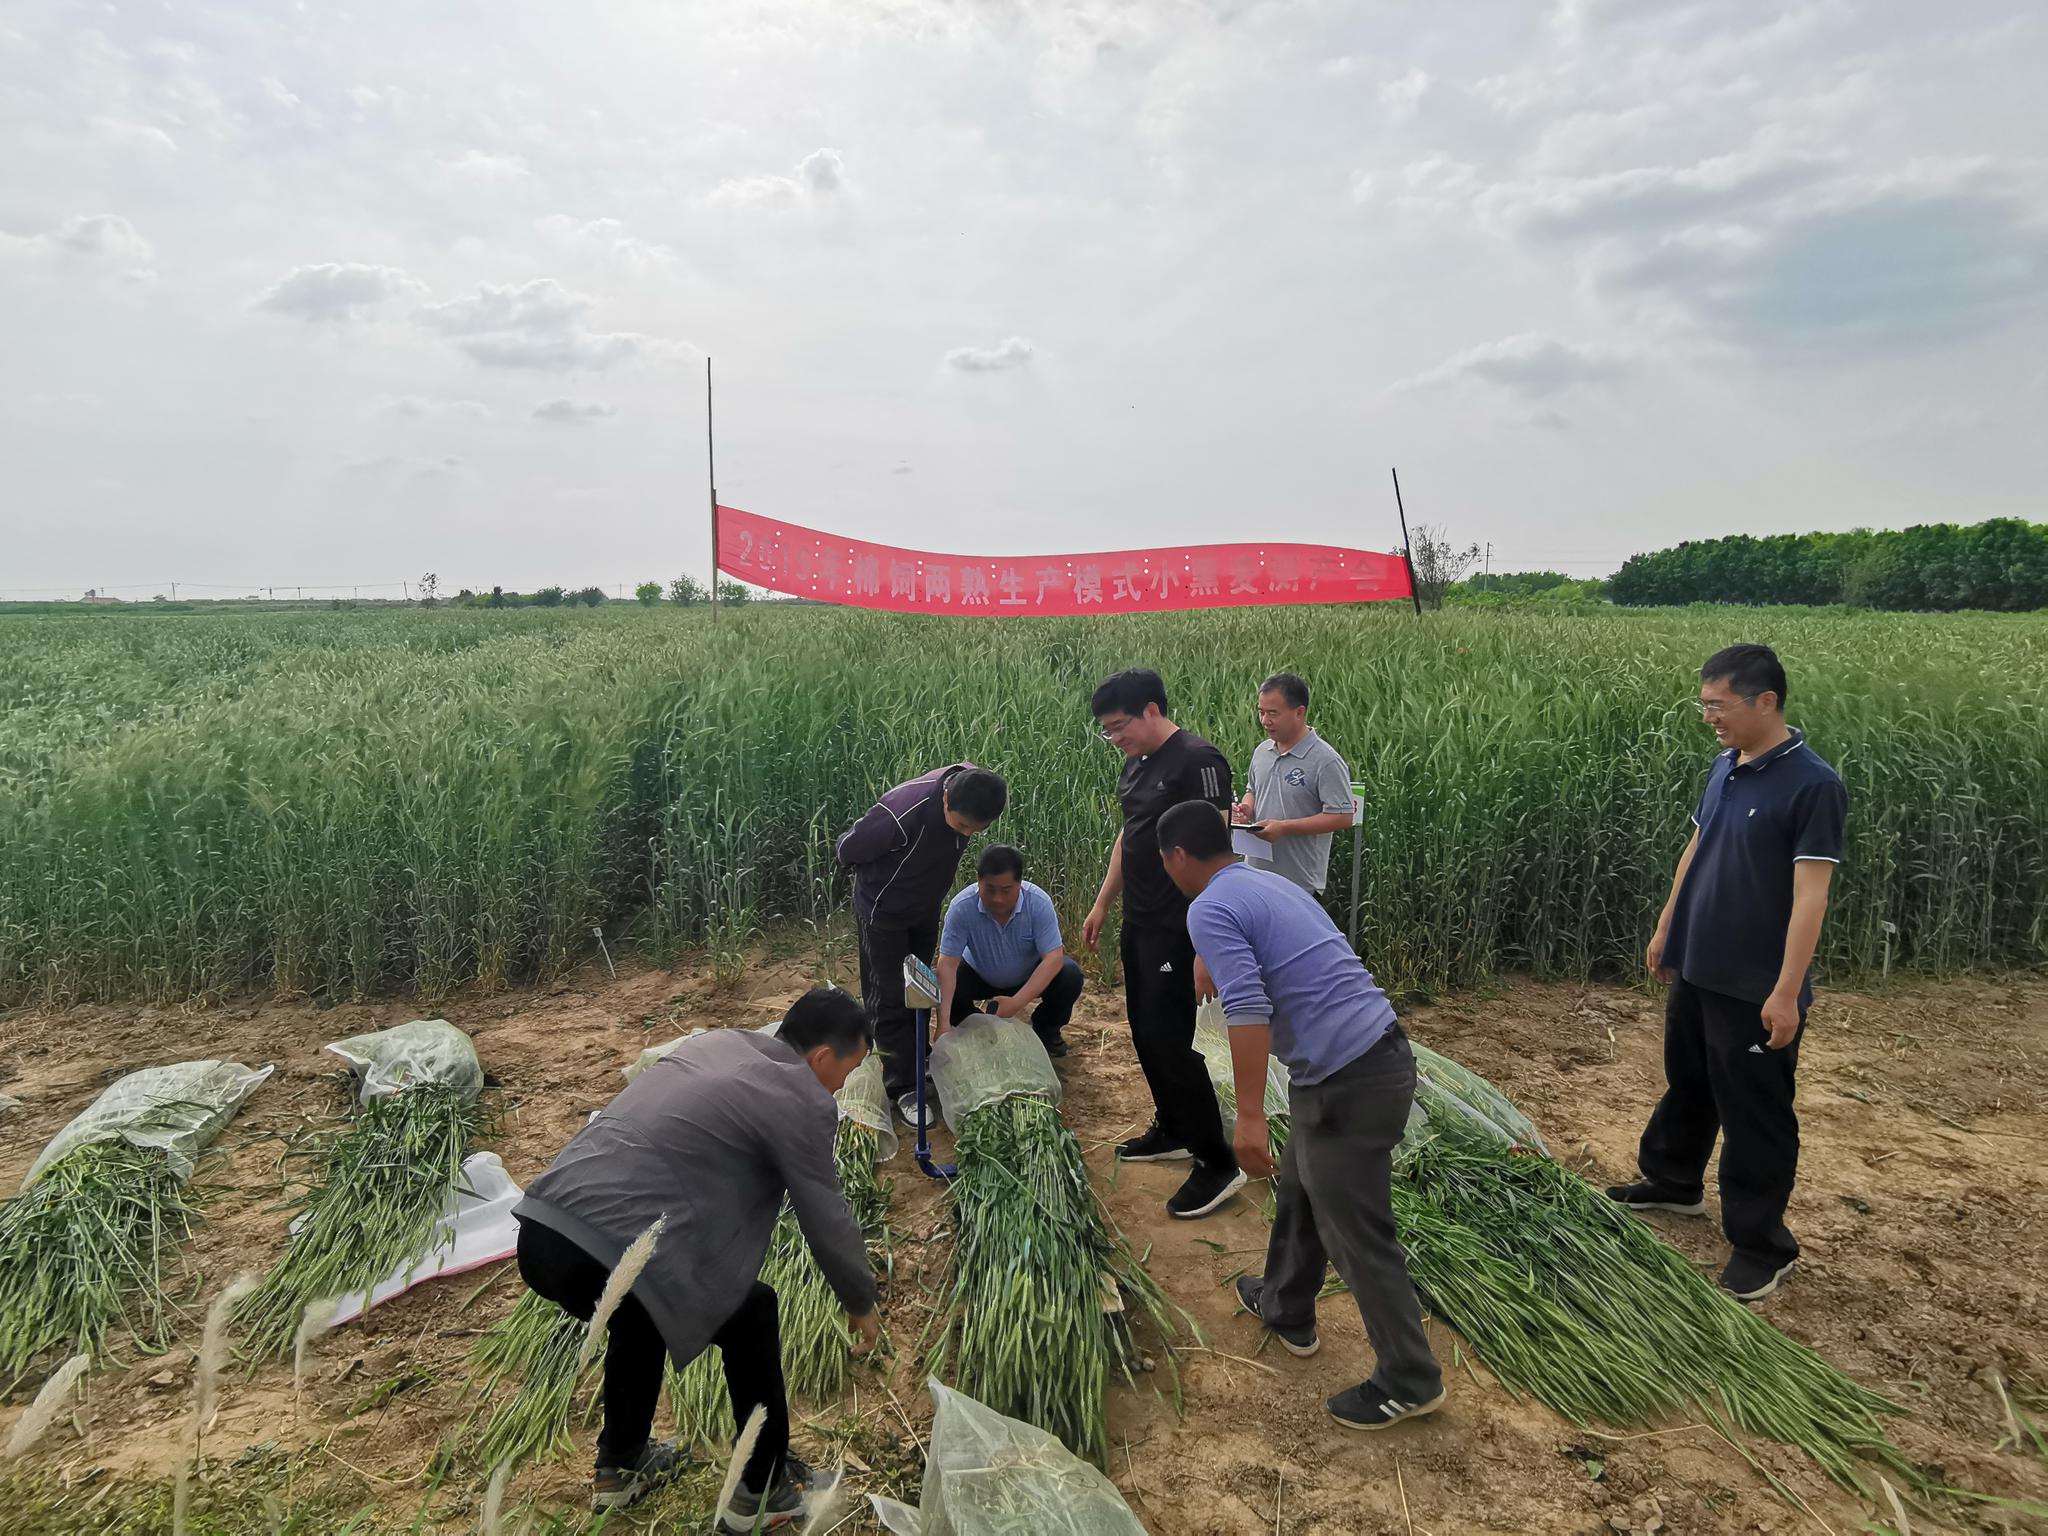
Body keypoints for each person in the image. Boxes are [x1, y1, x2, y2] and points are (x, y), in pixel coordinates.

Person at [512, 988, 883, 1531]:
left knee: (641, 1312)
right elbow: (825, 1214)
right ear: (822, 1057)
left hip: (544, 1229)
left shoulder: (716, 1043)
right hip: (603, 1245)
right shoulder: (801, 1096)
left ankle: (622, 1465)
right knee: (753, 1312)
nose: (841, 1086)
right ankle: (763, 1488)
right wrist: (860, 1298)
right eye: (847, 1072)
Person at [1159, 800, 1445, 1430]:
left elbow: (1249, 1005)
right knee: (1301, 1184)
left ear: (1176, 856)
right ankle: (1286, 1303)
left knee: (1357, 1233)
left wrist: (1251, 1116)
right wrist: (1207, 956)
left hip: (1352, 1080)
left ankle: (1410, 1378)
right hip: (1366, 1059)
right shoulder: (1262, 881)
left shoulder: (1208, 905)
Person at [1608, 644, 1847, 1303]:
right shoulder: (1726, 766)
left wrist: (1786, 990)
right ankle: (1674, 1182)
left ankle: (1761, 1243)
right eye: (1704, 705)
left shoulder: (1812, 784)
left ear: (1764, 701)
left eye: (1718, 706)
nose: (1709, 717)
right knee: (1690, 1081)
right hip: (1700, 962)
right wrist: (1665, 925)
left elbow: (1811, 895)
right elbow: (1697, 847)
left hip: (1756, 982)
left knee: (1755, 1112)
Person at [1081, 668, 1244, 1220]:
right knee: (1146, 1032)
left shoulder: (1199, 761)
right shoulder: (1136, 764)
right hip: (1142, 920)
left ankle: (1217, 1160)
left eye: (1119, 725)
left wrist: (1206, 941)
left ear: (1152, 710)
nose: (1115, 738)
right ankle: (1173, 1127)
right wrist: (1104, 901)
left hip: (1181, 923)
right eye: (1106, 731)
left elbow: (1215, 854)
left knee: (1175, 1040)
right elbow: (1130, 837)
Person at [836, 763, 1009, 1128]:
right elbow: (848, 848)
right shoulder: (903, 811)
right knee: (890, 993)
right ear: (945, 798)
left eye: (975, 831)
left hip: (924, 908)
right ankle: (901, 1085)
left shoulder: (975, 788)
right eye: (962, 826)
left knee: (919, 986)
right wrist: (880, 884)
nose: (967, 834)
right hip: (883, 910)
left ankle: (916, 1059)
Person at [935, 844, 1085, 1059]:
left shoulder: (1038, 903)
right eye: (990, 889)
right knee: (942, 981)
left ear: (1019, 882)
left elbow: (1053, 958)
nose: (998, 899)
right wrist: (943, 1023)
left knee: (1070, 975)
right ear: (978, 879)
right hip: (979, 974)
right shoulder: (961, 907)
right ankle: (976, 1026)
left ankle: (1046, 1029)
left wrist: (1016, 1003)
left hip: (1026, 975)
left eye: (1006, 890)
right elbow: (947, 963)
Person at [1233, 671, 1357, 896]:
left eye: (1273, 713)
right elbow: (1252, 790)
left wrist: (1284, 828)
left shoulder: (1326, 760)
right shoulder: (1262, 751)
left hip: (1299, 884)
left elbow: (1342, 816)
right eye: (1261, 712)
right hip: (1256, 875)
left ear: (1300, 712)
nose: (1265, 721)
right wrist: (1246, 809)